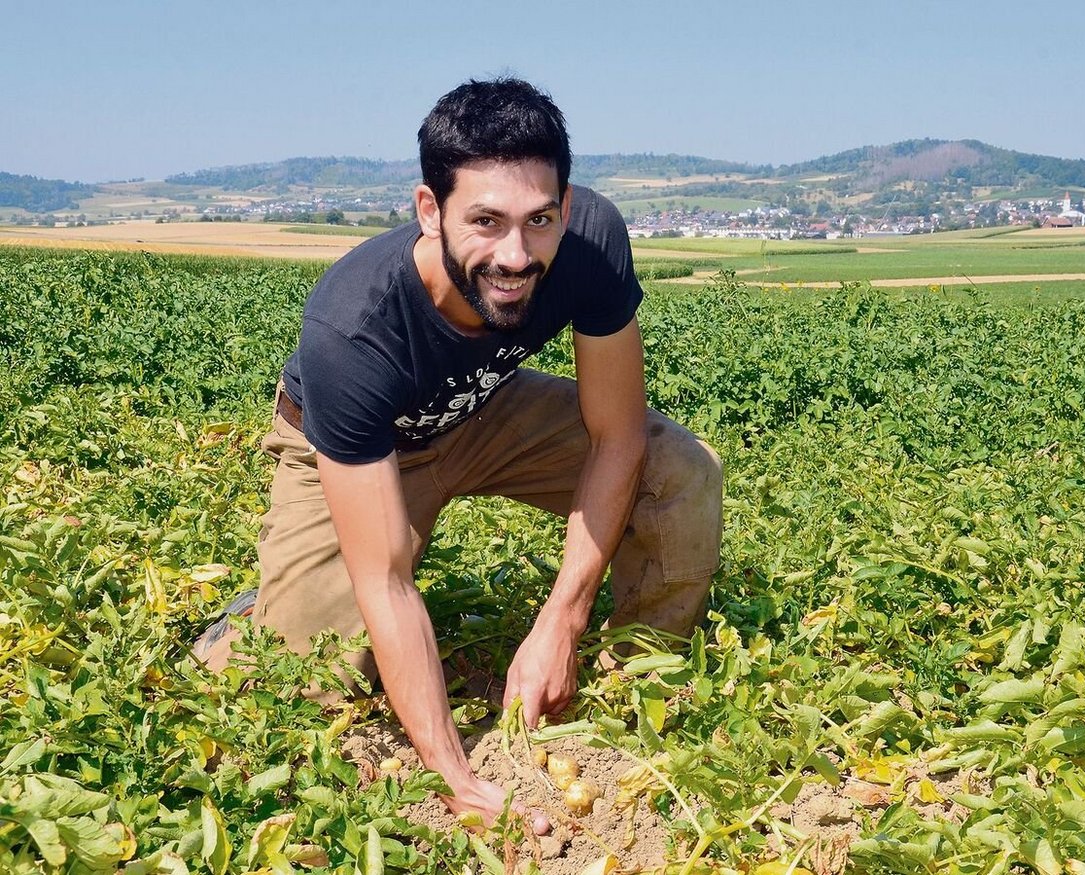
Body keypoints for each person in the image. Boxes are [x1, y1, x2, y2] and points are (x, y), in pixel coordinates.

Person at [196, 78, 723, 833]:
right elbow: (385, 580)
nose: (515, 254)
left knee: (681, 469)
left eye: (539, 220)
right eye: (485, 221)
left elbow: (618, 435)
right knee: (297, 684)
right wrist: (457, 774)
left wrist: (560, 623)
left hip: (482, 409)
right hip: (354, 450)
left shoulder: (591, 242)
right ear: (428, 209)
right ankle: (247, 623)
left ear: (565, 208)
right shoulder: (354, 328)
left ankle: (632, 679)